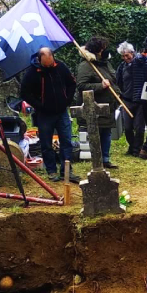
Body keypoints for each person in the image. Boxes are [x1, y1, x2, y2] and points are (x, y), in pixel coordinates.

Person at [19, 46, 80, 183]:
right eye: (46, 65)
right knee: (46, 144)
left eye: (51, 63)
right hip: (44, 114)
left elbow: (71, 83)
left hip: (62, 111)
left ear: (53, 58)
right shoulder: (33, 72)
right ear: (39, 60)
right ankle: (51, 171)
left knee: (66, 141)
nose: (49, 66)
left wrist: (67, 99)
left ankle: (67, 171)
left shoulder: (61, 67)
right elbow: (24, 92)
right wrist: (39, 105)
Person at [76, 37, 118, 169]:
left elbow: (112, 78)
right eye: (103, 48)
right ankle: (97, 160)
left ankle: (106, 159)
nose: (105, 50)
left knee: (107, 132)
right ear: (98, 50)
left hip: (108, 105)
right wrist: (100, 85)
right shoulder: (86, 65)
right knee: (97, 134)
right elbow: (81, 85)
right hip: (95, 105)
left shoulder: (104, 63)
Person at [115, 42, 140, 156]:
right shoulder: (121, 67)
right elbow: (118, 82)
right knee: (128, 127)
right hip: (126, 100)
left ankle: (137, 149)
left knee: (139, 127)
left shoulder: (140, 63)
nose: (126, 58)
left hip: (140, 101)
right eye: (123, 56)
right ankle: (132, 146)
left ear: (132, 53)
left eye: (127, 55)